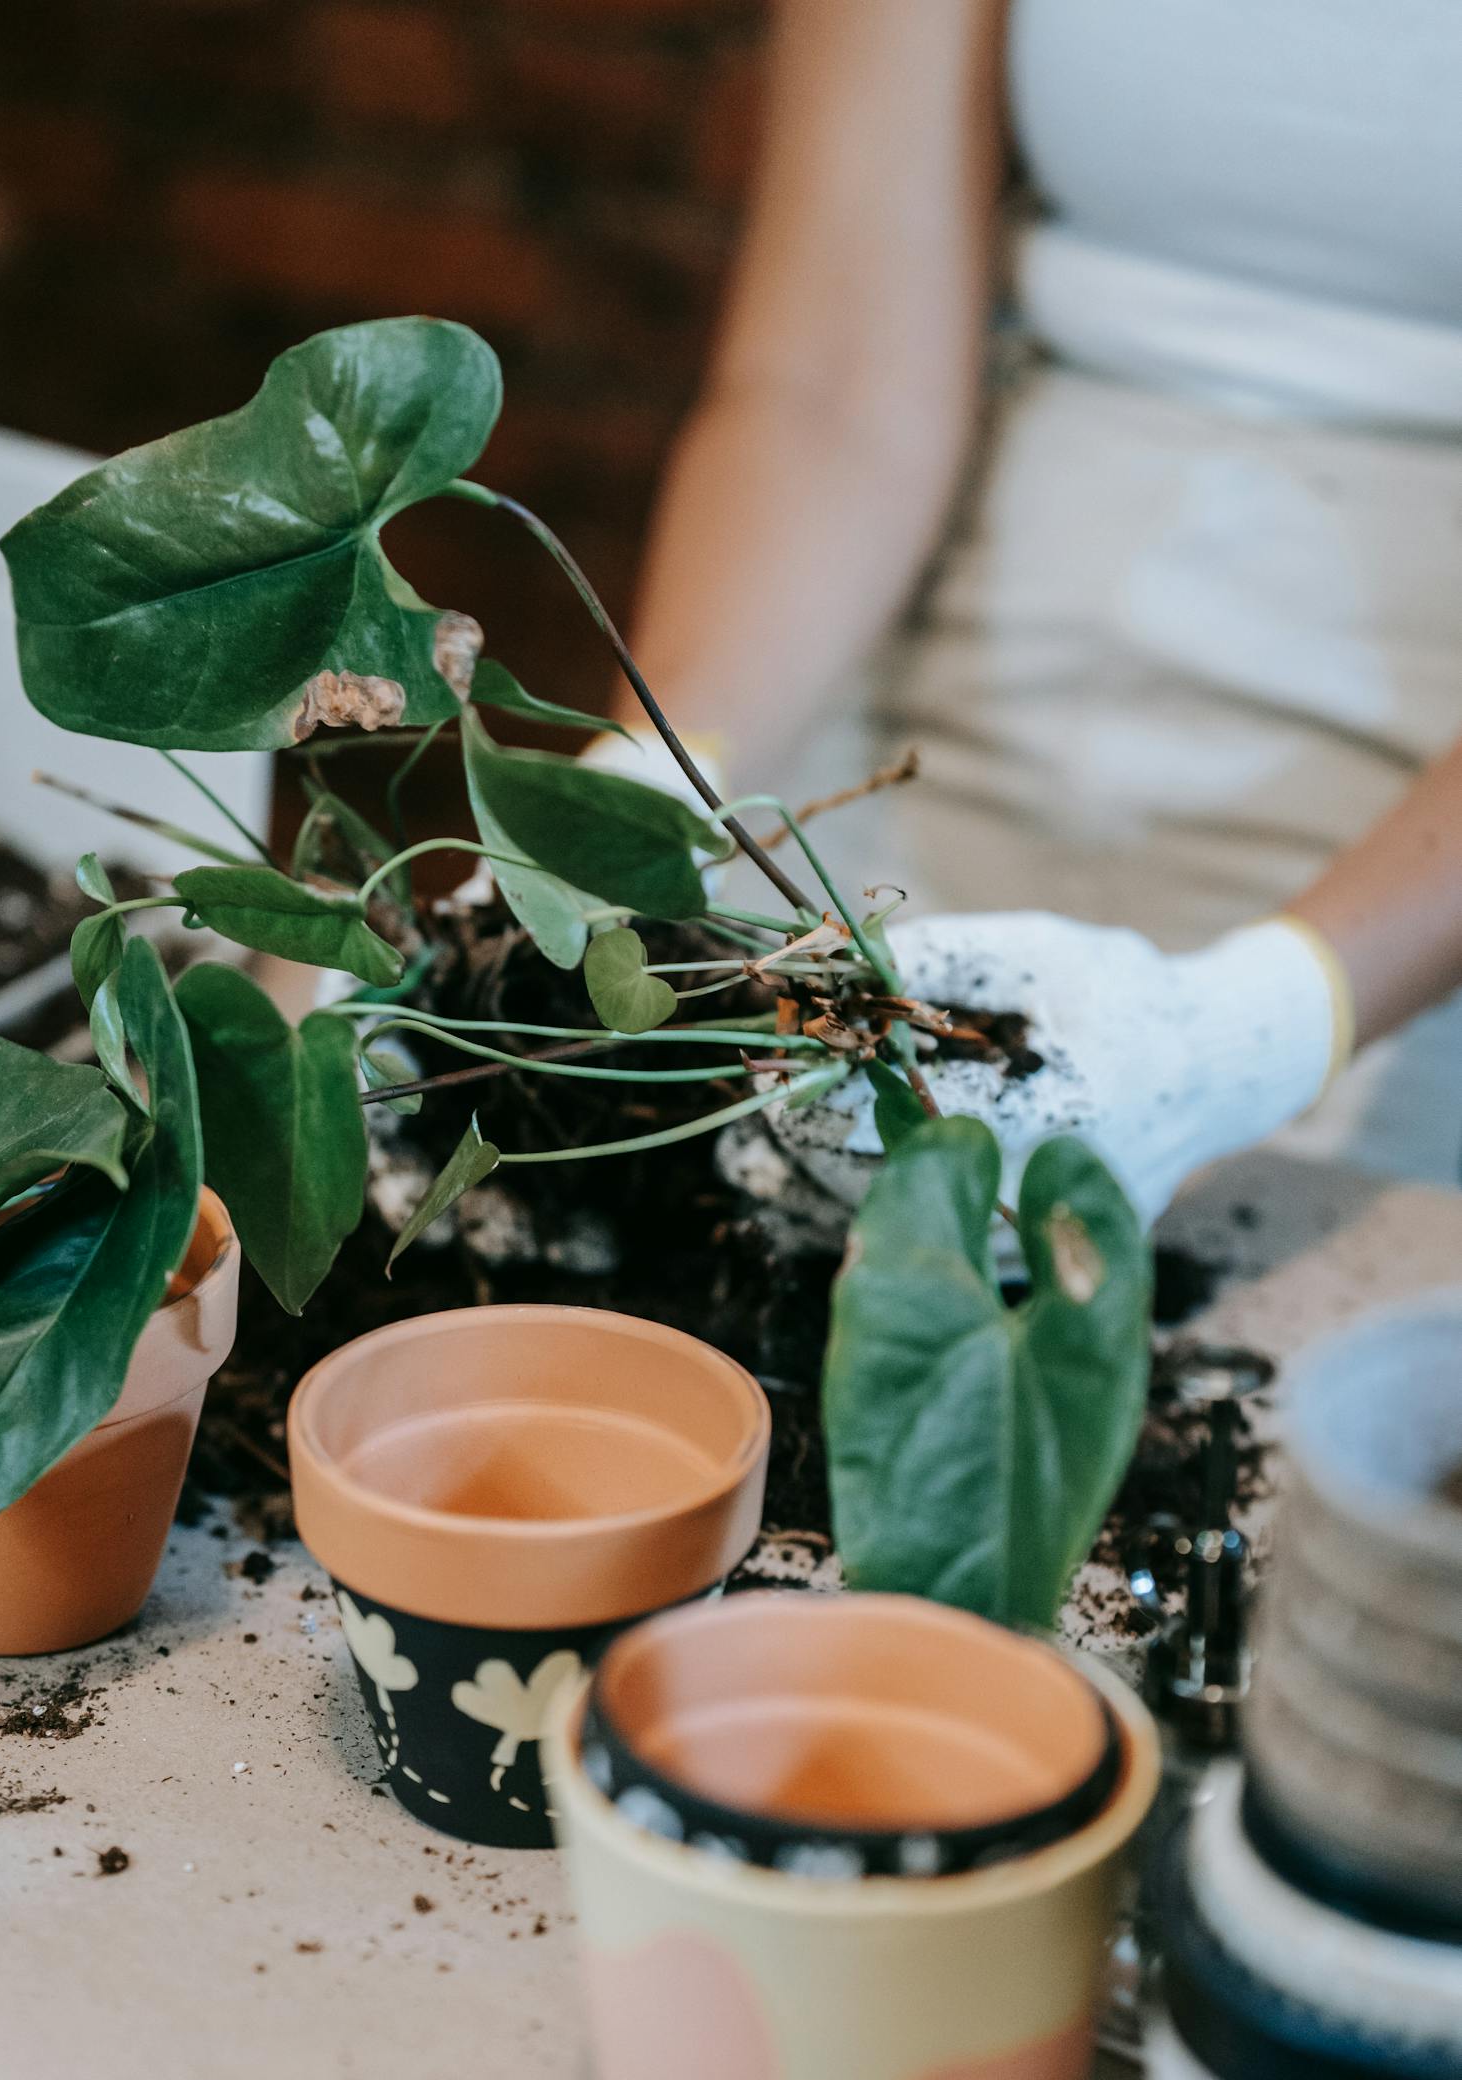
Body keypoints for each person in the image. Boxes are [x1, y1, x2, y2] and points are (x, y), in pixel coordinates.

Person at [590, 0, 1462, 1220]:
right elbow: (832, 385)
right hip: (927, 709)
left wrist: (1262, 1024)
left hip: (1414, 915)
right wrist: (648, 788)